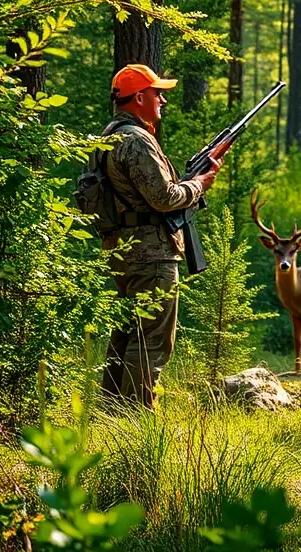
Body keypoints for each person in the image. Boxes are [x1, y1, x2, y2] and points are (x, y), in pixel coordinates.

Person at [99, 63, 222, 409]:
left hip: (121, 252)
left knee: (124, 337)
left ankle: (111, 417)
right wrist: (199, 185)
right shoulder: (137, 140)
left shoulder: (109, 136)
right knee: (151, 341)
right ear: (139, 97)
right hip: (151, 256)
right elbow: (164, 198)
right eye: (157, 93)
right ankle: (137, 423)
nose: (163, 100)